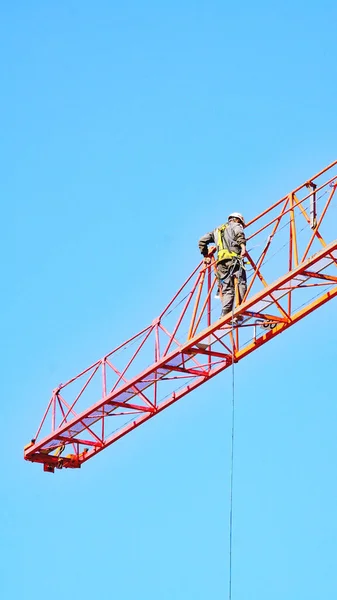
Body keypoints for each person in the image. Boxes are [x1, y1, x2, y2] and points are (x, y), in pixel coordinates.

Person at [198, 212, 247, 319]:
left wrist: (205, 254)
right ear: (238, 220)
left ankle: (226, 314)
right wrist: (243, 248)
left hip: (221, 264)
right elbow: (240, 235)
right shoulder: (236, 225)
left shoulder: (217, 230)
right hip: (234, 260)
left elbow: (202, 241)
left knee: (227, 289)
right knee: (240, 282)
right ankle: (241, 308)